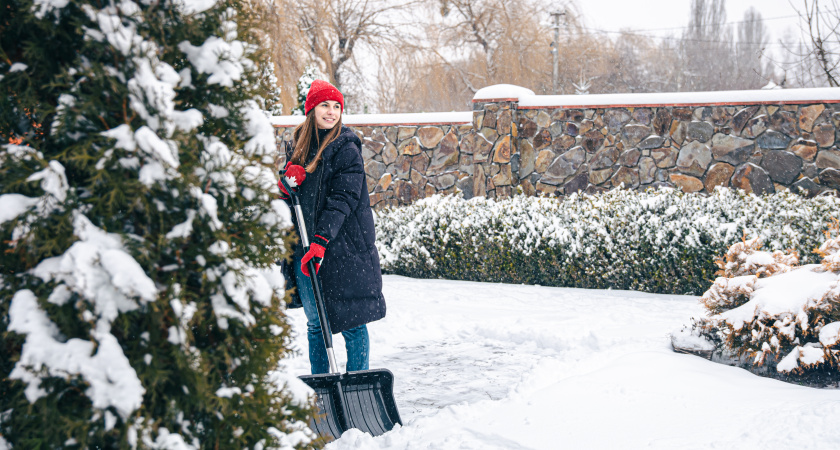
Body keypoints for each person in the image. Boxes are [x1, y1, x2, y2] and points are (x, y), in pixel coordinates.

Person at [278, 79, 386, 375]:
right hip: (305, 248)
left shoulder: (346, 148)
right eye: (324, 105)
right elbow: (293, 199)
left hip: (341, 250)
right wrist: (286, 184)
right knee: (315, 324)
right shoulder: (299, 146)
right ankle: (323, 387)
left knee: (352, 324)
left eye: (336, 106)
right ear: (311, 109)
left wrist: (321, 240)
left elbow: (344, 198)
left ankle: (357, 382)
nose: (331, 111)